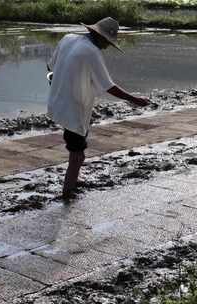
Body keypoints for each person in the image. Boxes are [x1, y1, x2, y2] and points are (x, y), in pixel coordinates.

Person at [47, 17, 150, 200]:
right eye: (108, 42)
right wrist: (134, 99)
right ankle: (67, 191)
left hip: (59, 100)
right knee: (77, 151)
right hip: (74, 105)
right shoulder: (91, 52)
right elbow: (108, 86)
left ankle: (75, 179)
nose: (107, 46)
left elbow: (51, 67)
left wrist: (62, 82)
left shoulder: (68, 38)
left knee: (78, 140)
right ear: (99, 36)